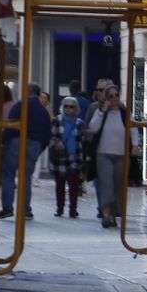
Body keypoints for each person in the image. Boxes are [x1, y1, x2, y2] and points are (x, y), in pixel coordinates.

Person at [0, 83, 52, 219]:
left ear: (28, 91)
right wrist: (40, 147)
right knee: (26, 178)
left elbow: (10, 124)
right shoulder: (43, 110)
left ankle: (7, 207)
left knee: (8, 174)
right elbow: (48, 132)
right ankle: (25, 210)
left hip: (16, 141)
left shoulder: (20, 105)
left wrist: (4, 141)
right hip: (35, 144)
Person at [85, 84, 131, 229]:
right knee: (106, 184)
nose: (114, 98)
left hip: (121, 155)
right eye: (110, 96)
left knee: (118, 185)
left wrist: (135, 145)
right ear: (105, 97)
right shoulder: (100, 112)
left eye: (116, 95)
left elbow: (133, 128)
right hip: (103, 154)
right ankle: (106, 213)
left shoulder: (124, 113)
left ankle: (113, 212)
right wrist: (102, 110)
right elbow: (92, 128)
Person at [49, 97, 84, 218]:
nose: (68, 109)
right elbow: (52, 135)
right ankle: (59, 208)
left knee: (74, 185)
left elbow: (82, 140)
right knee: (60, 185)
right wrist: (56, 142)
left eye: (71, 106)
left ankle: (73, 209)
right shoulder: (57, 120)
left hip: (75, 158)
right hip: (60, 158)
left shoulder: (79, 123)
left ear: (76, 108)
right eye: (66, 106)